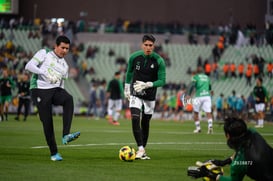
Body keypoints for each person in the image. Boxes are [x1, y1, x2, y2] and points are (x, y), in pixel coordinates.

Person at [25, 35, 80, 161]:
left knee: (68, 99)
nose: (65, 51)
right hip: (39, 90)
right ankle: (54, 153)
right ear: (55, 46)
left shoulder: (65, 66)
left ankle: (66, 135)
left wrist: (62, 93)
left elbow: (61, 84)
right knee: (47, 122)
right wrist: (44, 73)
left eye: (67, 48)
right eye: (62, 48)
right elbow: (28, 66)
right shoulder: (44, 53)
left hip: (54, 90)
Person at [124, 34, 166, 160]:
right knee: (135, 118)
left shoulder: (159, 61)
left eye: (151, 45)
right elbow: (129, 72)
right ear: (142, 45)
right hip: (136, 92)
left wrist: (148, 84)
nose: (148, 47)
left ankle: (143, 150)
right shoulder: (134, 57)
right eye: (146, 45)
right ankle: (140, 148)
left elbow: (162, 81)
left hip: (150, 95)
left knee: (145, 122)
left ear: (154, 46)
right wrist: (126, 88)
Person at [204, 117, 273, 180]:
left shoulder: (239, 163)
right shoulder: (253, 133)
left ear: (227, 135)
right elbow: (242, 151)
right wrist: (225, 162)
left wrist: (213, 175)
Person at [185, 66, 213, 134]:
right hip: (207, 96)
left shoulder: (195, 77)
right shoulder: (207, 77)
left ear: (197, 72)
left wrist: (188, 94)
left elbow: (192, 85)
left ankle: (198, 128)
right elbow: (210, 87)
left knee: (196, 112)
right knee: (208, 112)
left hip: (199, 96)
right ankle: (210, 127)